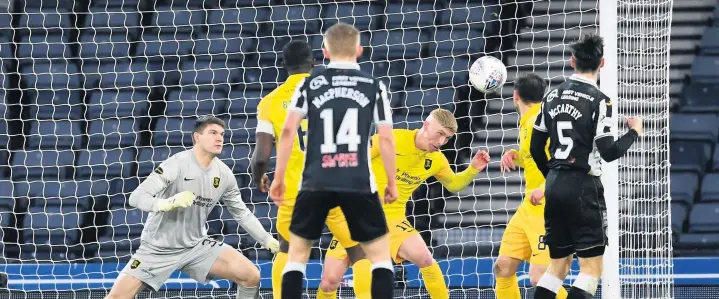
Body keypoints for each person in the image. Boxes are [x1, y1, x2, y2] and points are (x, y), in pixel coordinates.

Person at [269, 22, 399, 299]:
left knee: (296, 257)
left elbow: (289, 131)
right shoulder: (374, 86)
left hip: (316, 180)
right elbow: (386, 139)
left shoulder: (308, 84)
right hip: (358, 181)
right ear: (360, 50)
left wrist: (278, 177)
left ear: (325, 52)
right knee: (379, 258)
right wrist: (391, 182)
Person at [316, 109, 491, 299]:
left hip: (393, 219)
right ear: (426, 124)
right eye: (439, 134)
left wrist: (472, 169)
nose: (441, 142)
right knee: (329, 283)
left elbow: (454, 184)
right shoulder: (391, 139)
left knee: (425, 258)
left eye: (447, 138)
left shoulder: (437, 160)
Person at [106, 116, 280, 299]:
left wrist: (266, 239)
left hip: (196, 245)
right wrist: (166, 203)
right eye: (213, 133)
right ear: (197, 137)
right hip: (158, 249)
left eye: (222, 134)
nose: (220, 138)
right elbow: (136, 197)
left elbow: (241, 213)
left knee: (251, 276)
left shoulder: (225, 175)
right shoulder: (177, 163)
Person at [529, 33, 643, 299]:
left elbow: (536, 147)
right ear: (602, 63)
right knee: (591, 268)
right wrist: (634, 132)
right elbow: (609, 152)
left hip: (555, 186)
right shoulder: (600, 100)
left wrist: (553, 176)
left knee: (557, 267)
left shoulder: (551, 96)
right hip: (583, 187)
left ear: (571, 61)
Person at [251, 40, 364, 299]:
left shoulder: (270, 102)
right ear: (314, 63)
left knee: (288, 251)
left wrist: (259, 178)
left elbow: (260, 157)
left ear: (284, 66)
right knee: (359, 251)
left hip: (295, 192)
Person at [494, 73, 569, 299]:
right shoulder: (528, 120)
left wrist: (546, 187)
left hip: (548, 207)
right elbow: (533, 157)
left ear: (515, 96)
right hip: (529, 206)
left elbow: (564, 162)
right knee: (503, 267)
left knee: (540, 278)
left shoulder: (544, 122)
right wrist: (514, 156)